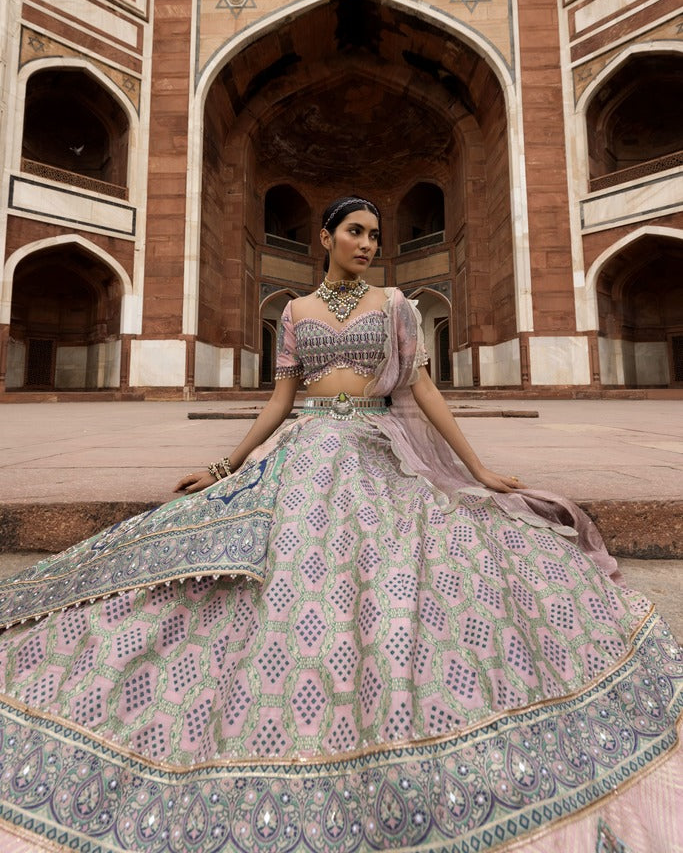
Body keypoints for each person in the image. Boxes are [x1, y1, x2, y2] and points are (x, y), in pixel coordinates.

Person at [0, 195, 679, 853]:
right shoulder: (294, 310)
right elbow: (281, 400)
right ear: (323, 238)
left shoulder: (396, 306)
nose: (367, 245)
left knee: (415, 557)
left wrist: (477, 468)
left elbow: (418, 387)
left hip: (377, 449)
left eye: (375, 236)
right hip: (306, 447)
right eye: (354, 231)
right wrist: (223, 465)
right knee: (278, 554)